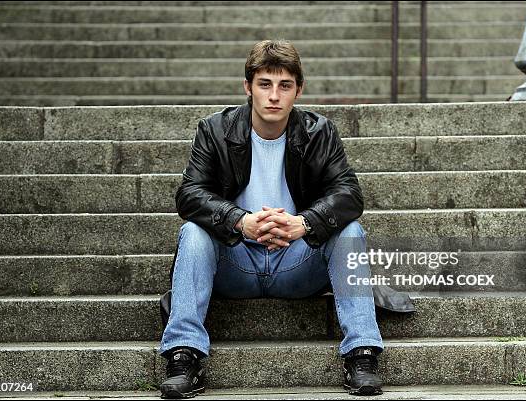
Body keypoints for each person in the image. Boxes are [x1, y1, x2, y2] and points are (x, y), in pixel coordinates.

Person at [158, 39, 408, 399]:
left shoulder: (318, 132)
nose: (274, 96)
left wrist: (302, 223)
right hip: (236, 262)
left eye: (285, 85)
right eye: (265, 84)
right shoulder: (215, 130)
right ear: (248, 87)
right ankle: (183, 356)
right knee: (193, 232)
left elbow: (350, 195)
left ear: (298, 90)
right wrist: (240, 221)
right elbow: (189, 195)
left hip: (296, 264)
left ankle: (361, 355)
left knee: (350, 230)